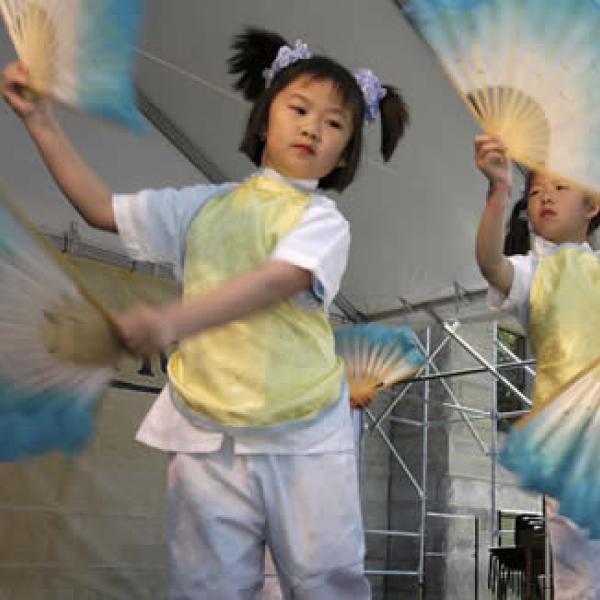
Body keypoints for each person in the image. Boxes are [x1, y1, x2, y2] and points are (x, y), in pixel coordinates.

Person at [2, 27, 409, 599]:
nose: (314, 127)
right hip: (204, 432)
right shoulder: (202, 207)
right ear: (266, 119)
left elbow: (277, 281)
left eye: (335, 123)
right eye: (299, 108)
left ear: (344, 153)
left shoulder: (321, 221)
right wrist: (38, 120)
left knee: (325, 583)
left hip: (302, 433)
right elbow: (98, 209)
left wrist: (171, 324)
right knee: (204, 587)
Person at [474, 134, 600, 599]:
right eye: (535, 190)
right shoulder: (532, 273)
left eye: (560, 187)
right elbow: (490, 264)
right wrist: (498, 189)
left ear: (593, 205)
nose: (544, 194)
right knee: (580, 582)